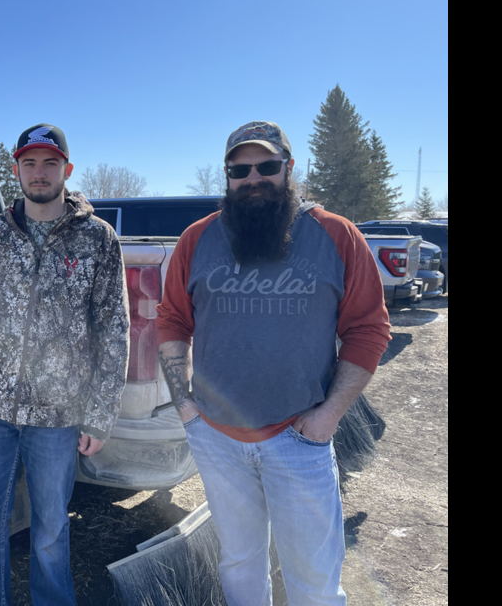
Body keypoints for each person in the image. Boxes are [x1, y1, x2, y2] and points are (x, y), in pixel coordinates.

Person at [156, 121, 391, 605]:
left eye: (266, 166)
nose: (253, 178)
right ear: (226, 176)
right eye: (239, 170)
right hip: (217, 439)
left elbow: (368, 329)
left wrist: (328, 417)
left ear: (288, 168)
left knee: (315, 581)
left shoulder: (335, 235)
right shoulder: (197, 239)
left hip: (300, 440)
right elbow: (172, 322)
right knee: (240, 563)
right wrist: (186, 409)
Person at [0, 124, 130, 606]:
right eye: (29, 163)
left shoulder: (98, 239)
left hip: (58, 416)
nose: (39, 172)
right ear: (16, 171)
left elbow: (114, 331)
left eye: (50, 163)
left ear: (67, 169)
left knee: (50, 532)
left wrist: (100, 413)